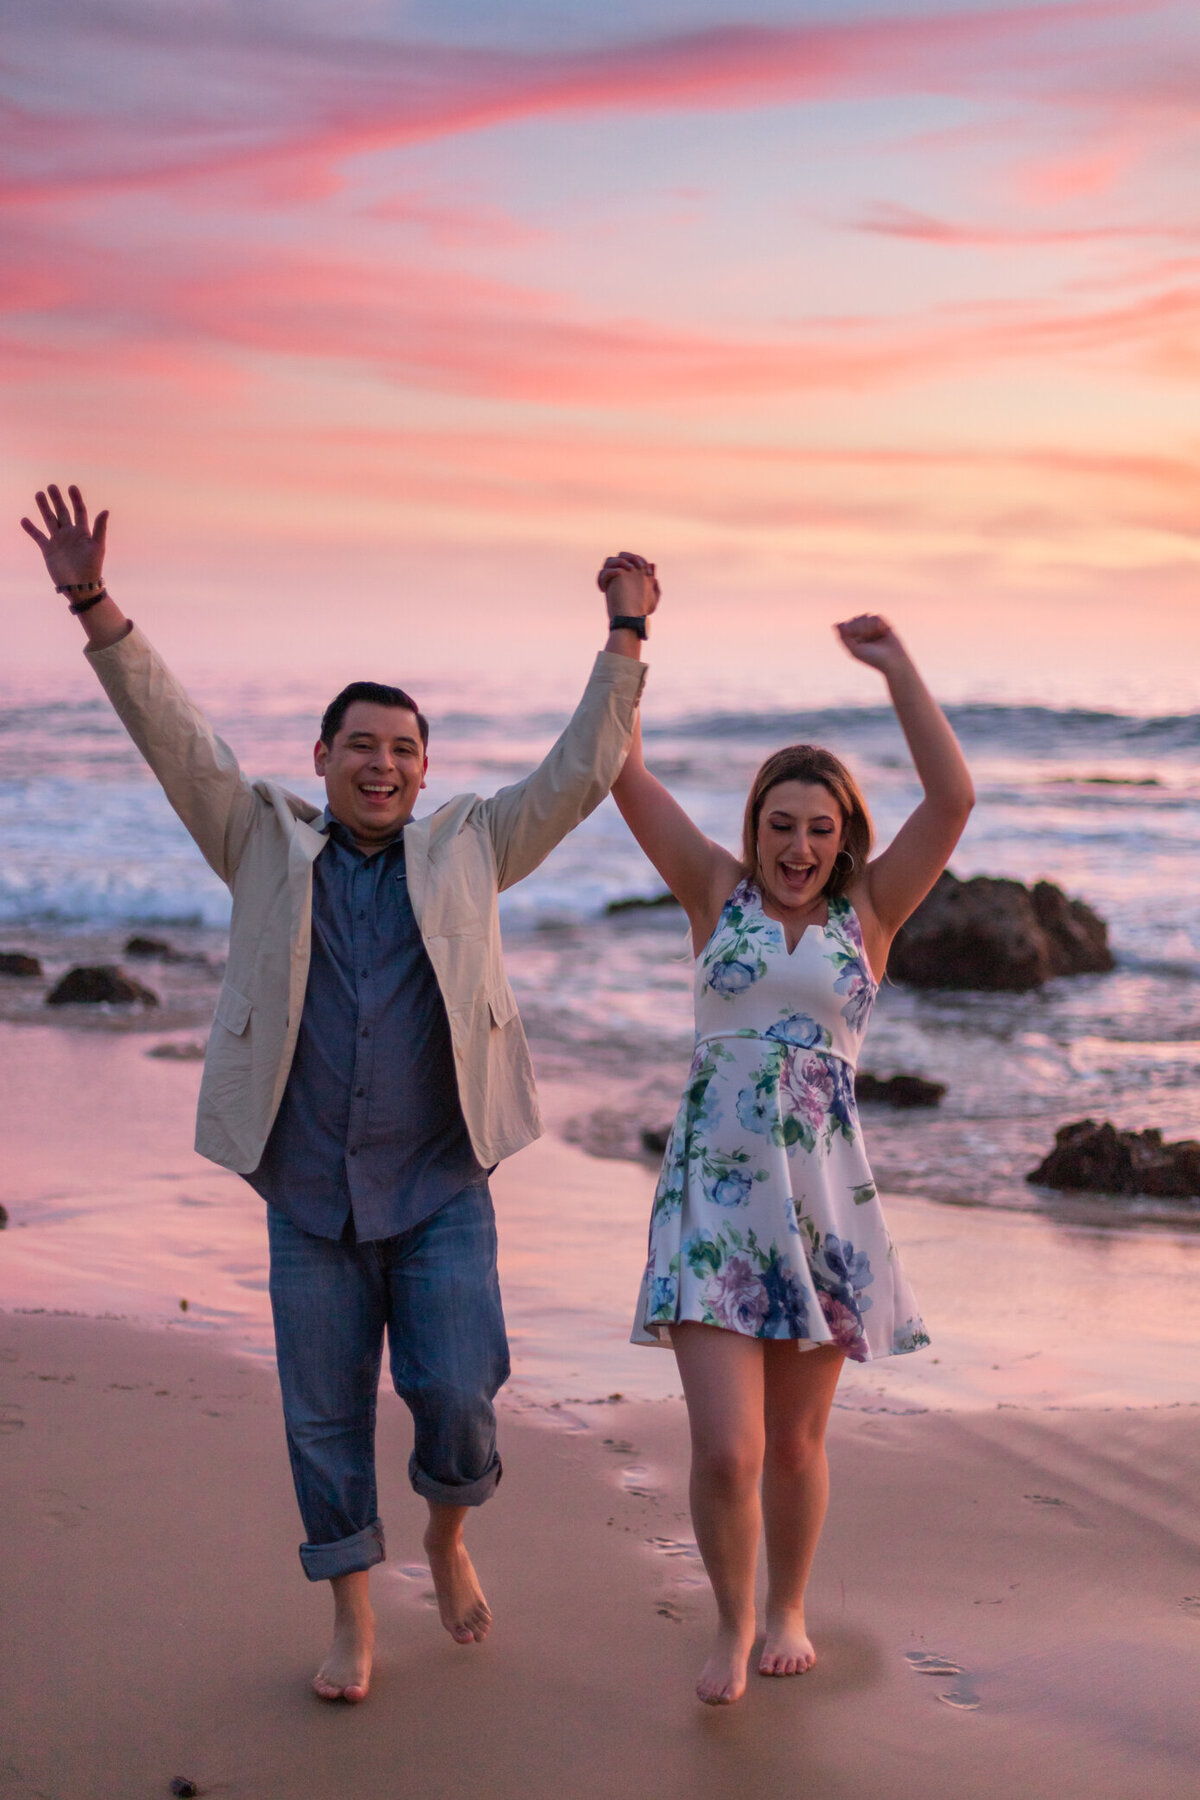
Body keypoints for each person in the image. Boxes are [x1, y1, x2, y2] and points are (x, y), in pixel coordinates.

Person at [22, 485, 659, 1705]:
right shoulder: (259, 838)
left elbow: (581, 773)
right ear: (322, 760)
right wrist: (91, 600)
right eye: (361, 745)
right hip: (307, 1189)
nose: (383, 763)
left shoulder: (474, 842)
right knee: (322, 1419)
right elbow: (174, 734)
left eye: (404, 749)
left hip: (440, 1184)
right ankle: (354, 1616)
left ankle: (448, 1535)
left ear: (427, 773)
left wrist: (626, 635)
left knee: (460, 1399)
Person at [603, 566, 974, 1706]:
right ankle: (729, 1623)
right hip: (715, 1197)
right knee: (727, 1450)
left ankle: (788, 1608)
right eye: (780, 823)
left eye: (820, 828)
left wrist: (898, 665)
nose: (798, 844)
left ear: (844, 834)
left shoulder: (872, 915)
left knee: (799, 1446)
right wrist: (628, 629)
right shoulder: (713, 892)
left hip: (821, 1200)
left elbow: (952, 801)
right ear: (755, 826)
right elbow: (621, 769)